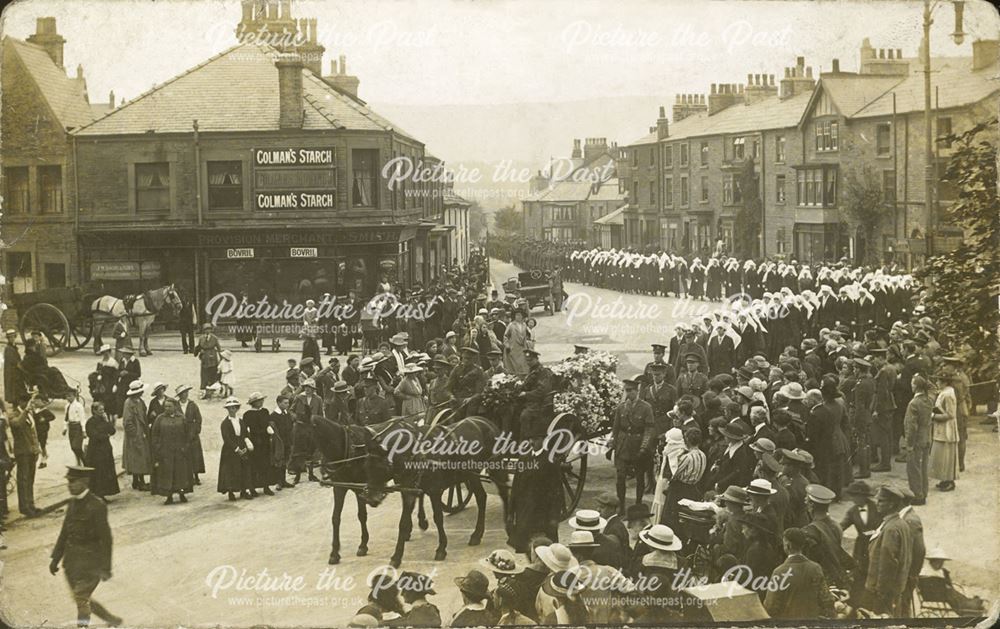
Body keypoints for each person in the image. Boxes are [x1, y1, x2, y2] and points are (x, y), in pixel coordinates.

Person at [49, 466, 123, 628]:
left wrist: (105, 567)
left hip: (91, 564)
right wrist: (55, 559)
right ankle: (111, 619)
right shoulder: (72, 504)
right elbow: (64, 533)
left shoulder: (97, 505)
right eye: (68, 482)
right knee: (81, 598)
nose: (69, 485)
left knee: (81, 597)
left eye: (73, 482)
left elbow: (106, 539)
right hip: (71, 563)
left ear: (84, 482)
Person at [764, 527, 836, 619]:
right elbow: (827, 599)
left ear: (788, 545)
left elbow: (770, 606)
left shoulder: (779, 572)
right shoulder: (815, 568)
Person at [865, 484, 913, 615]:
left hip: (884, 592)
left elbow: (888, 563)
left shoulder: (891, 528)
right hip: (895, 589)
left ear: (891, 504)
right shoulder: (900, 523)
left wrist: (881, 592)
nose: (877, 503)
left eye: (881, 501)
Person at [610, 377, 655, 511]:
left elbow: (648, 429)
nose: (627, 393)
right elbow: (616, 428)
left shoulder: (646, 407)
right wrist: (613, 443)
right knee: (620, 477)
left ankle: (638, 504)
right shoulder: (621, 407)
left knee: (639, 477)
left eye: (630, 390)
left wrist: (643, 447)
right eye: (625, 390)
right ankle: (621, 505)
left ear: (637, 391)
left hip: (637, 446)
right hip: (623, 447)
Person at [840, 480, 880, 607]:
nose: (853, 499)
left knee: (873, 571)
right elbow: (841, 526)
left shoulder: (877, 507)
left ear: (863, 496)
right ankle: (856, 604)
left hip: (875, 544)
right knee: (859, 573)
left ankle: (871, 602)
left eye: (855, 496)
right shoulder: (852, 512)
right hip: (861, 547)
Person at [151, 398, 194, 505]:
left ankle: (182, 494)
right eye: (165, 406)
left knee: (180, 474)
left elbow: (188, 434)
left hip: (180, 452)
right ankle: (169, 496)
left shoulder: (182, 418)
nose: (167, 408)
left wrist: (186, 447)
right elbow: (154, 435)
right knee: (167, 474)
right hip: (166, 453)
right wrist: (158, 448)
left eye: (170, 406)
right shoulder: (159, 419)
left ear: (175, 407)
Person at [9, 397, 41, 517]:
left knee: (30, 479)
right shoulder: (13, 415)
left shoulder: (29, 414)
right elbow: (17, 424)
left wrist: (37, 449)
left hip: (31, 451)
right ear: (21, 402)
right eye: (29, 402)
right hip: (22, 452)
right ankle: (24, 507)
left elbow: (34, 433)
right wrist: (26, 411)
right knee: (23, 480)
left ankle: (31, 504)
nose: (31, 404)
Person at [903, 374, 933, 503]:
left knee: (914, 468)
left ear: (916, 386)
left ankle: (917, 495)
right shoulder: (928, 400)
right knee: (923, 467)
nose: (911, 385)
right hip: (926, 437)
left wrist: (909, 443)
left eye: (912, 383)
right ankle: (923, 492)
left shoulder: (913, 403)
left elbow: (911, 426)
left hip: (916, 440)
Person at [929, 372, 959, 492]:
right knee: (941, 456)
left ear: (945, 382)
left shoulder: (948, 394)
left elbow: (950, 414)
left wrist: (933, 415)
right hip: (941, 429)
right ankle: (944, 478)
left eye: (939, 381)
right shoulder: (944, 392)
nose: (937, 383)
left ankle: (949, 480)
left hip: (947, 429)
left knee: (947, 455)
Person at [217, 396, 251, 501]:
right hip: (230, 450)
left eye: (234, 408)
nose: (232, 410)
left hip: (242, 447)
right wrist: (236, 449)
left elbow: (245, 434)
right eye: (230, 408)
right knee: (231, 470)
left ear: (237, 409)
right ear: (227, 410)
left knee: (243, 469)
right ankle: (231, 491)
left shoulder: (241, 421)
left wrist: (245, 447)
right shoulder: (225, 423)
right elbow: (226, 438)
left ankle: (244, 490)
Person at [289, 379, 322, 484]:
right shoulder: (299, 398)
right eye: (306, 388)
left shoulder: (318, 399)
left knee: (311, 450)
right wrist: (296, 418)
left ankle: (311, 474)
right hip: (300, 428)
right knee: (299, 450)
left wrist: (318, 424)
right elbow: (291, 410)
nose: (307, 390)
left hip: (311, 428)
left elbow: (320, 414)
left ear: (313, 389)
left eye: (309, 388)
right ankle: (297, 475)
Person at [84, 401, 119, 499]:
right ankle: (98, 494)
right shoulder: (90, 422)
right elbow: (93, 435)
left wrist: (107, 421)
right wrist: (105, 436)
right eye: (100, 410)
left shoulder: (104, 420)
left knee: (106, 471)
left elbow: (112, 431)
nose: (102, 412)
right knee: (98, 472)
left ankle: (103, 493)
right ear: (94, 411)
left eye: (103, 410)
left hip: (106, 450)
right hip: (95, 451)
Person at [121, 381, 151, 491]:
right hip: (135, 435)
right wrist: (134, 434)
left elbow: (144, 414)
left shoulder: (140, 401)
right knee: (136, 458)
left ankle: (138, 480)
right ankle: (138, 481)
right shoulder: (129, 403)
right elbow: (127, 422)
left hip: (141, 433)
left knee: (140, 457)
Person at [243, 392, 275, 496]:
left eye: (262, 400)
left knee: (266, 464)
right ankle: (252, 488)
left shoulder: (265, 411)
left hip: (265, 442)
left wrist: (269, 428)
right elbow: (245, 429)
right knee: (254, 465)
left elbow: (267, 422)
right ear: (254, 403)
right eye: (259, 401)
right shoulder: (247, 414)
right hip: (255, 442)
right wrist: (247, 440)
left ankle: (266, 486)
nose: (261, 402)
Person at [176, 385, 205, 485]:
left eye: (186, 392)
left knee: (195, 454)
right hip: (180, 433)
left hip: (192, 432)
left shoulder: (192, 405)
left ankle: (196, 476)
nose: (186, 394)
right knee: (183, 455)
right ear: (179, 395)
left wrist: (196, 430)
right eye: (183, 393)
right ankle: (186, 477)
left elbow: (198, 419)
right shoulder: (176, 405)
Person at [194, 324, 221, 399]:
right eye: (206, 329)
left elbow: (219, 348)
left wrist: (222, 358)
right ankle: (204, 390)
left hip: (212, 357)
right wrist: (198, 351)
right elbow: (199, 346)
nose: (207, 331)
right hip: (204, 358)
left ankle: (211, 390)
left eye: (209, 329)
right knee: (204, 374)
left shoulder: (214, 338)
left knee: (212, 374)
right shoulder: (201, 338)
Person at [503, 310, 530, 376]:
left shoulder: (524, 325)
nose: (518, 317)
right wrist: (507, 345)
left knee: (523, 363)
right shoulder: (511, 325)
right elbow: (505, 336)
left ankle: (524, 376)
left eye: (520, 315)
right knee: (515, 364)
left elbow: (527, 335)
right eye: (517, 315)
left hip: (522, 347)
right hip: (514, 347)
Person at [65, 389, 87, 465]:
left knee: (76, 446)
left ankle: (86, 461)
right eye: (67, 396)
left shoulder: (79, 406)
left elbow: (82, 418)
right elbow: (66, 418)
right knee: (72, 447)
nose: (68, 398)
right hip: (71, 427)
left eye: (70, 396)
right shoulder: (67, 406)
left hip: (78, 427)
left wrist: (84, 431)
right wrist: (65, 428)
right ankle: (78, 462)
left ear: (74, 396)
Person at [4, 329, 25, 405]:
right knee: (13, 386)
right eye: (10, 337)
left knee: (16, 386)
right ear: (8, 338)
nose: (12, 339)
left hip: (14, 370)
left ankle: (17, 400)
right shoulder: (8, 348)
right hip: (11, 371)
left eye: (13, 337)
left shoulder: (13, 346)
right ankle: (14, 401)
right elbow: (13, 360)